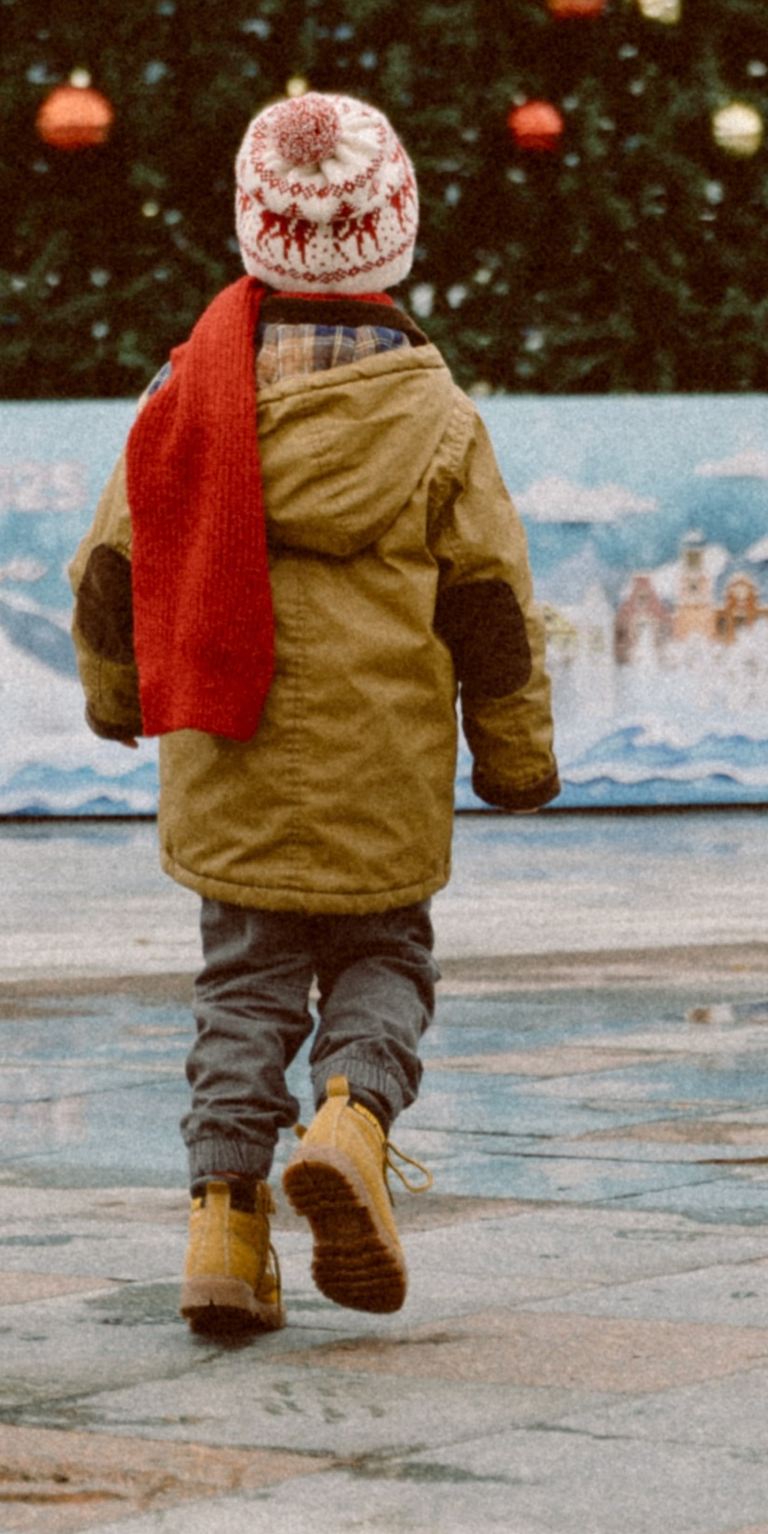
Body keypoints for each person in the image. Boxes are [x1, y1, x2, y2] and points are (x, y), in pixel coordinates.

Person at [69, 89, 559, 1342]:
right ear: (394, 235)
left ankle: (224, 1233)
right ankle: (350, 1117)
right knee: (385, 956)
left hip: (229, 760)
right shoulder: (436, 418)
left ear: (255, 232)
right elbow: (490, 606)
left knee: (242, 989)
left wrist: (121, 702)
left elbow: (112, 572)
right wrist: (512, 759)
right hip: (380, 770)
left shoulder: (186, 397)